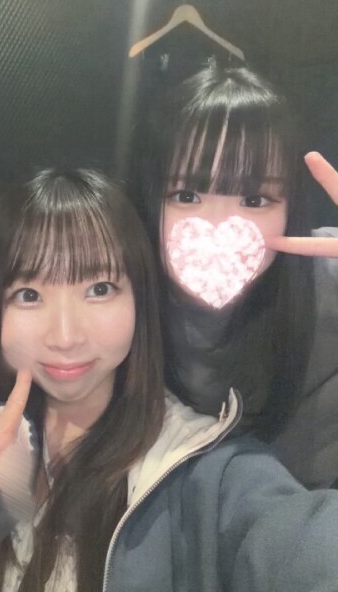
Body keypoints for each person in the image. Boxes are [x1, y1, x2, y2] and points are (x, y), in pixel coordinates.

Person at [0, 168, 338, 592]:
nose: (65, 336)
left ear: (140, 298)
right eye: (29, 295)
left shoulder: (212, 475)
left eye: (100, 288)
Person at [133, 63, 338, 489]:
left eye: (255, 199)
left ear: (291, 207)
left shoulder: (329, 273)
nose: (218, 223)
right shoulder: (117, 297)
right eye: (186, 195)